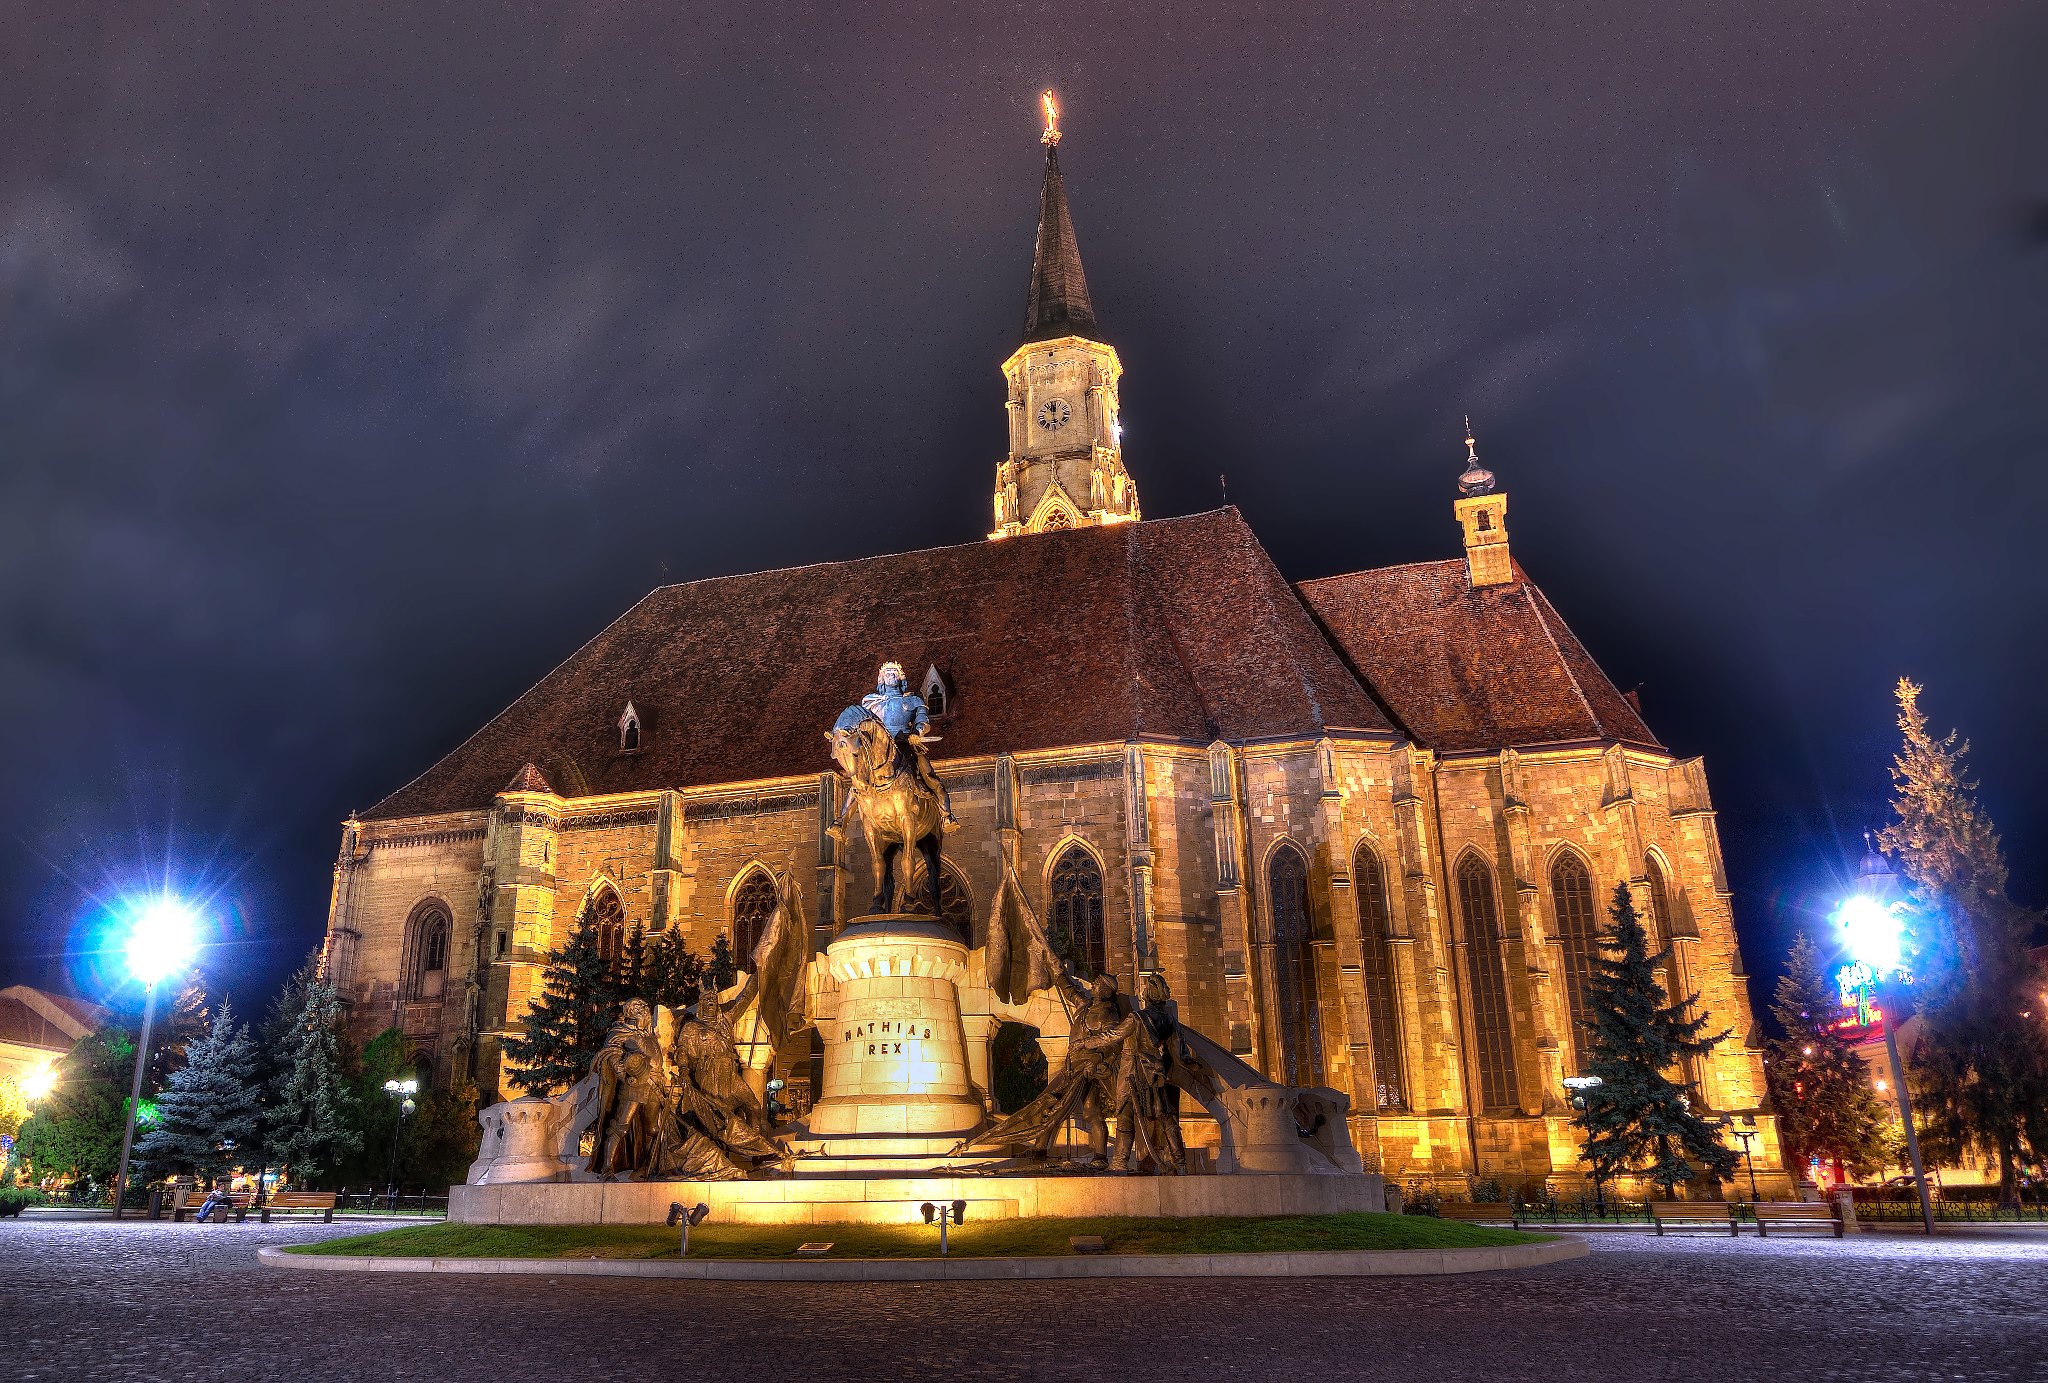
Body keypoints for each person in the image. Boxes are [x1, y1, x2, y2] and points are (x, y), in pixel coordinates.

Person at [859, 662, 955, 825]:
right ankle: (840, 821)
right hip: (879, 747)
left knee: (929, 776)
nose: (890, 676)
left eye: (894, 673)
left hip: (905, 742)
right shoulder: (871, 702)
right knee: (858, 778)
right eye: (887, 674)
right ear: (881, 679)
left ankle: (946, 814)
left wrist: (917, 733)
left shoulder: (913, 700)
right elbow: (863, 725)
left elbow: (922, 721)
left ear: (900, 678)